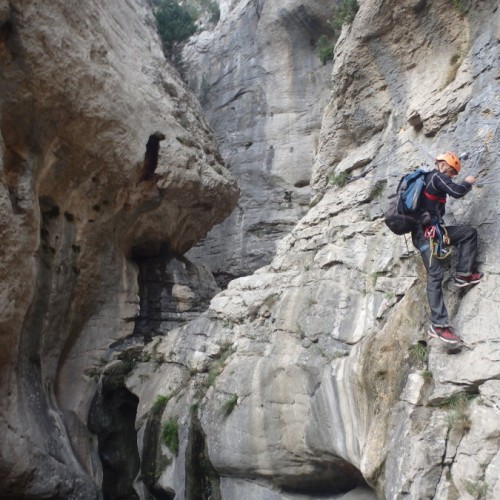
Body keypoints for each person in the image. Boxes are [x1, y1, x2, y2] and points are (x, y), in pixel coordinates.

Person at [411, 152, 483, 345]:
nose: (451, 175)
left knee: (468, 233)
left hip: (434, 233)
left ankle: (463, 274)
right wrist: (467, 182)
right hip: (425, 235)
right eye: (451, 171)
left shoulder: (429, 179)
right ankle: (439, 325)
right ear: (442, 165)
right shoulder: (437, 177)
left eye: (453, 173)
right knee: (435, 275)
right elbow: (458, 192)